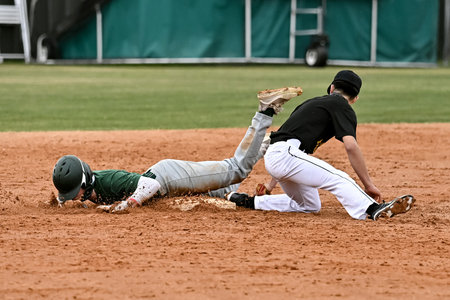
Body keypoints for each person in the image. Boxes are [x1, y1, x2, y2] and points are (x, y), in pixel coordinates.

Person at [52, 86, 303, 213]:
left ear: (85, 182)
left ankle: (265, 111)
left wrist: (126, 205)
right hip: (169, 179)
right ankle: (266, 144)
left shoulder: (109, 181)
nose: (74, 197)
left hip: (168, 177)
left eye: (75, 192)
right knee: (224, 191)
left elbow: (149, 186)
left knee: (235, 170)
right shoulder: (92, 189)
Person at [227, 70, 415, 221]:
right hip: (285, 156)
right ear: (355, 98)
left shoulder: (313, 104)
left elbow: (283, 143)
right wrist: (369, 185)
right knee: (338, 178)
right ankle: (372, 208)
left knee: (309, 206)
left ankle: (249, 202)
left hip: (279, 157)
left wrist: (269, 186)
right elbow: (351, 146)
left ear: (332, 88)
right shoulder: (341, 105)